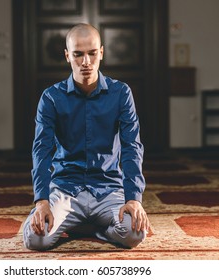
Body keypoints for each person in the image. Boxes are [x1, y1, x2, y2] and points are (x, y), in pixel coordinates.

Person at [23, 23, 150, 250]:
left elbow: (132, 146)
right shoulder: (51, 97)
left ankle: (92, 228)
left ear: (101, 52)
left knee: (135, 233)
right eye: (78, 54)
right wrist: (41, 201)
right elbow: (41, 150)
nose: (86, 62)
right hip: (65, 189)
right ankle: (81, 221)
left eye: (92, 54)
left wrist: (133, 199)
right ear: (67, 55)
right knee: (36, 239)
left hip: (108, 187)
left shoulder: (121, 93)